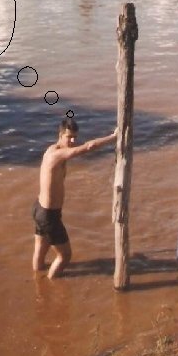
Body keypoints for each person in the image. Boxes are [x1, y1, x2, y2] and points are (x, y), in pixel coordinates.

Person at [32, 118, 118, 279]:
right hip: (49, 215)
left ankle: (38, 282)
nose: (72, 141)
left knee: (40, 250)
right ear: (60, 135)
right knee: (65, 256)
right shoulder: (57, 155)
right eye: (69, 137)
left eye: (75, 137)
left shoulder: (51, 150)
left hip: (39, 210)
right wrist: (113, 137)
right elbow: (88, 147)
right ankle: (51, 285)